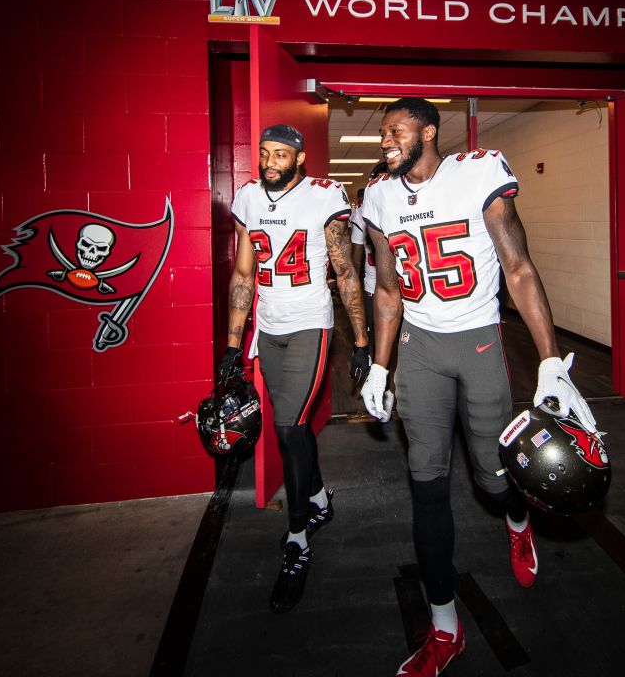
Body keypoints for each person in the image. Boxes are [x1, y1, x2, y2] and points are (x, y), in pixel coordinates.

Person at [357, 98, 599, 674]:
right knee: (427, 484)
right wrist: (379, 365)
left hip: (479, 343)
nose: (386, 139)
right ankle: (444, 628)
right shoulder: (380, 197)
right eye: (383, 131)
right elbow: (387, 292)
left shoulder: (478, 173)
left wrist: (549, 362)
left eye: (397, 129)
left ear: (429, 131)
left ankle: (518, 522)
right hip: (420, 349)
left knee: (494, 483)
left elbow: (518, 267)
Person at [219, 124, 372, 613]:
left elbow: (344, 269)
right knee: (294, 426)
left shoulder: (323, 196)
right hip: (268, 327)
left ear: (300, 159)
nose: (269, 161)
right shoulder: (247, 198)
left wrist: (362, 342)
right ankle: (321, 494)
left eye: (280, 154)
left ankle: (299, 536)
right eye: (264, 153)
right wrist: (231, 343)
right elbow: (244, 273)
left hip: (309, 323)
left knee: (287, 426)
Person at [349, 161, 389, 354]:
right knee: (376, 341)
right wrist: (354, 292)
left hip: (407, 291)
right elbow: (356, 259)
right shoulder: (361, 214)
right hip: (373, 288)